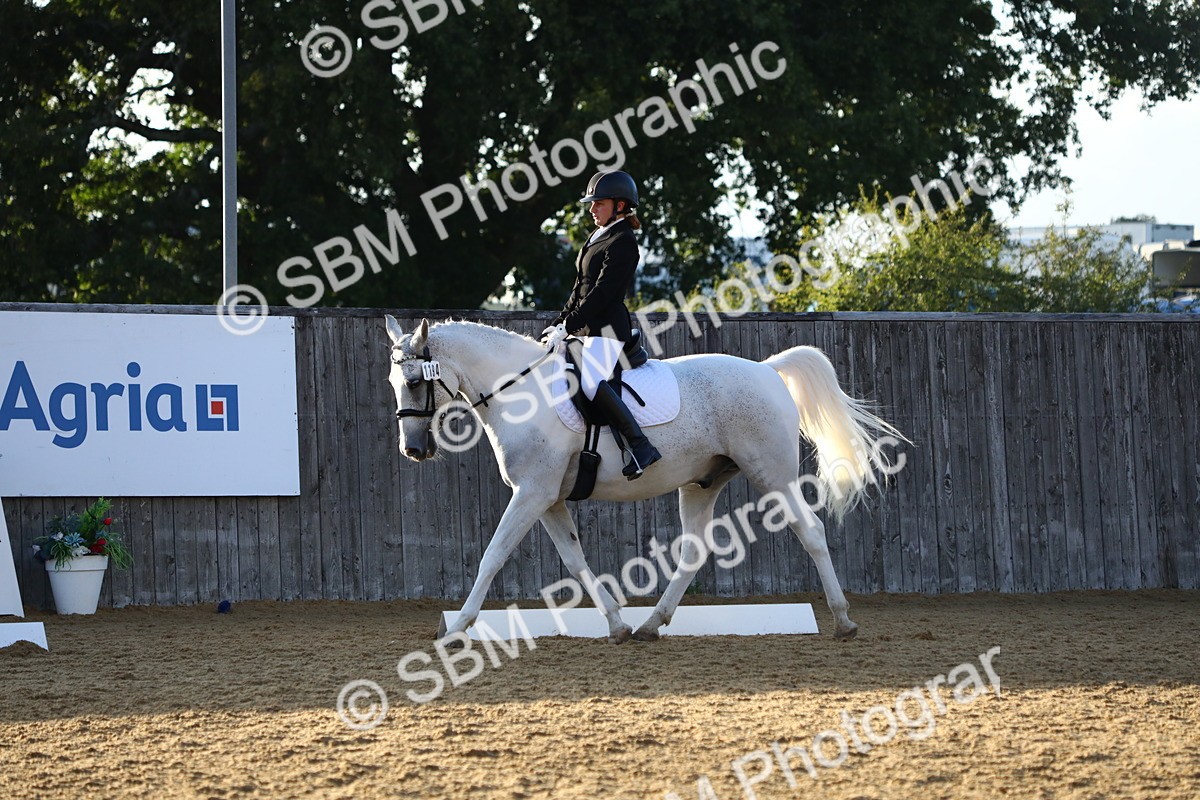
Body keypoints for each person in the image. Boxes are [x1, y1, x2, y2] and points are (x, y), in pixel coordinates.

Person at [541, 170, 662, 480]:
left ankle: (640, 446)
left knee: (592, 381)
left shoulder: (623, 242)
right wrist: (558, 324)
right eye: (592, 204)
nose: (592, 209)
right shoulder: (597, 237)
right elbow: (579, 288)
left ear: (620, 206)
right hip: (584, 330)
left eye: (599, 203)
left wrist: (570, 325)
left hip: (608, 331)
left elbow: (603, 293)